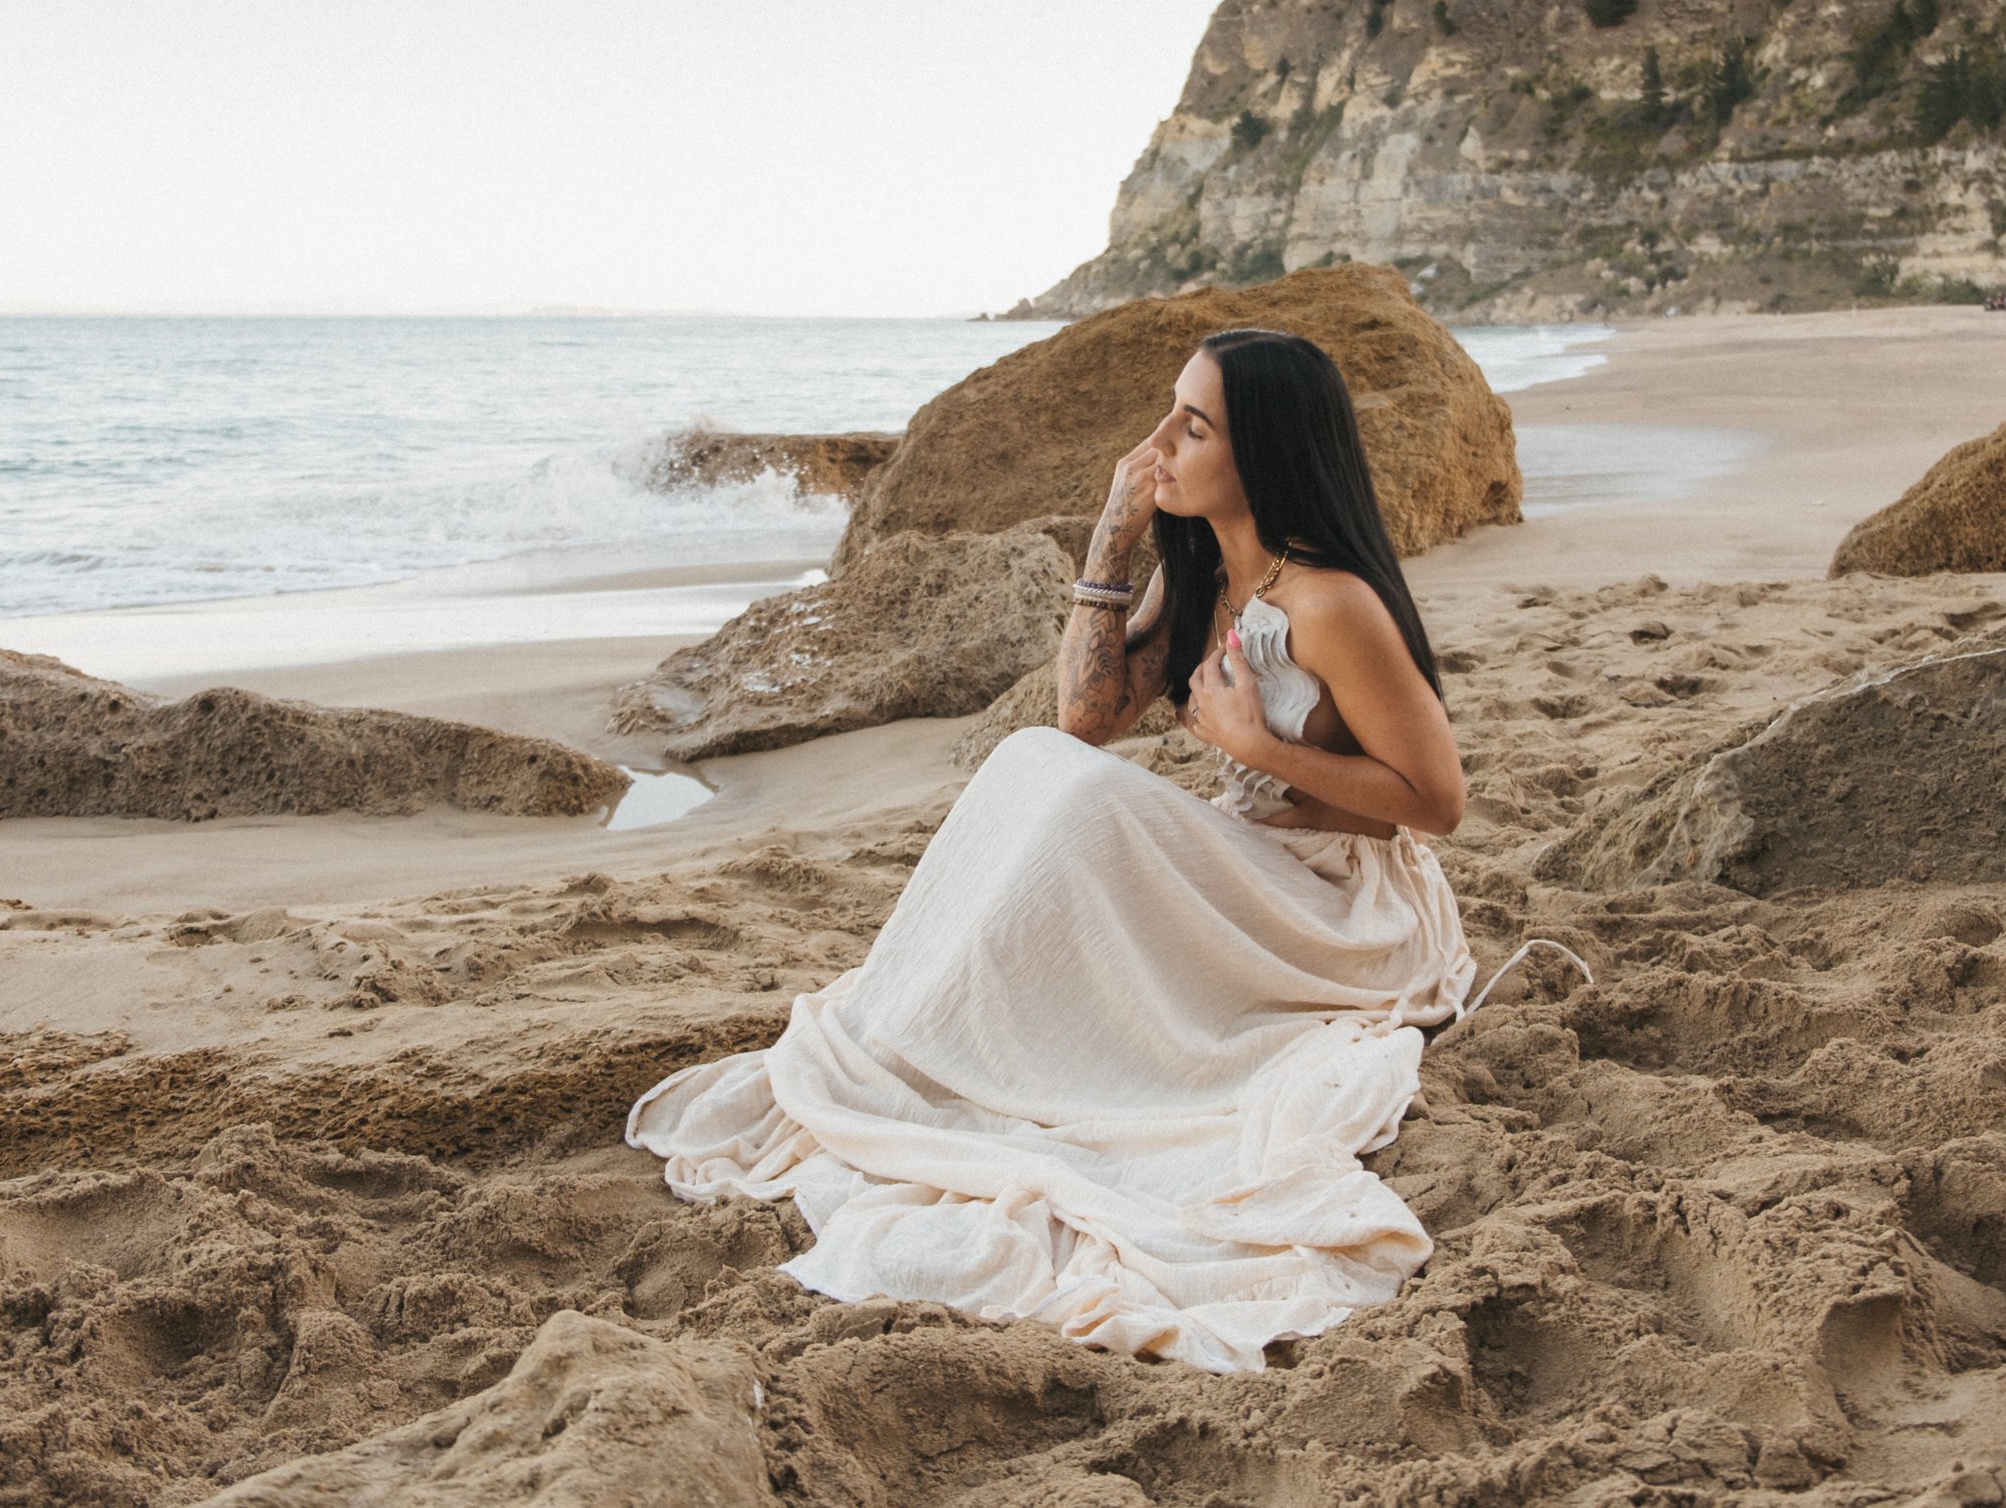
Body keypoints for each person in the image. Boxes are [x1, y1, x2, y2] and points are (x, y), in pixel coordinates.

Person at [624, 327, 1582, 1374]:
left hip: (1340, 911)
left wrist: (1260, 746)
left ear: (1260, 451)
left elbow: (1435, 801)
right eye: (1168, 412)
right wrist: (1109, 545)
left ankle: (929, 1043)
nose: (1157, 442)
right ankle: (909, 1038)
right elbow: (1083, 717)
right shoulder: (1211, 572)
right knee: (1040, 765)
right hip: (1247, 877)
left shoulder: (1331, 603)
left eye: (1194, 424)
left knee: (1084, 803)